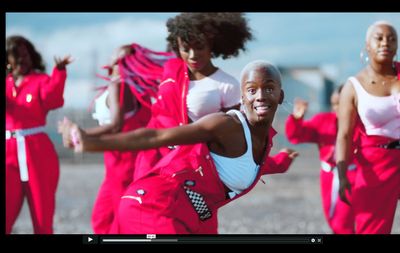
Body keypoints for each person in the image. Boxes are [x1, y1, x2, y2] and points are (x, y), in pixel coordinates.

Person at [59, 60, 298, 234]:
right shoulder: (226, 125)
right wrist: (91, 143)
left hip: (188, 216)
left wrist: (283, 162)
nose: (260, 96)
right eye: (251, 90)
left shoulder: (264, 140)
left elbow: (247, 165)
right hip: (154, 207)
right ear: (242, 97)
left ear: (280, 94)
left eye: (268, 88)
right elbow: (156, 137)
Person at [132, 13, 255, 234]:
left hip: (195, 167)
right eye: (185, 48)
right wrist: (127, 51)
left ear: (212, 45)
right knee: (147, 215)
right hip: (155, 157)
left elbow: (235, 132)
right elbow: (144, 62)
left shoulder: (226, 85)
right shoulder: (171, 70)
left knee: (197, 223)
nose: (192, 55)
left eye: (199, 47)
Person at [59, 43, 174, 234]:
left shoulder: (119, 84)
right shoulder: (137, 87)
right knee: (106, 217)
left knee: (116, 220)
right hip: (127, 159)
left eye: (117, 55)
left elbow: (115, 125)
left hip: (121, 160)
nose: (112, 57)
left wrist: (79, 134)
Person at [336, 21, 400, 234]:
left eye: (392, 39)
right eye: (379, 38)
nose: (386, 43)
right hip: (376, 165)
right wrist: (342, 174)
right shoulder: (353, 86)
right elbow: (344, 135)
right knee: (372, 229)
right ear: (367, 45)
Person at [6, 35, 73, 234]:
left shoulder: (40, 80)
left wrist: (59, 72)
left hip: (36, 150)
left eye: (25, 55)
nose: (21, 60)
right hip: (8, 151)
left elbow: (53, 98)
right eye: (16, 56)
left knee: (42, 213)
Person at [285, 86, 356, 234]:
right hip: (328, 177)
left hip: (352, 176)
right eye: (334, 104)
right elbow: (296, 136)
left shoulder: (359, 122)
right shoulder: (323, 120)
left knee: (343, 223)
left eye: (341, 104)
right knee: (332, 218)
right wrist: (297, 119)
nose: (336, 108)